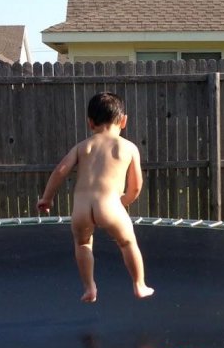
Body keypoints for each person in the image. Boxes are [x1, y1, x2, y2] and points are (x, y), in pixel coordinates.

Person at [36, 92, 154, 303]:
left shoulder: (83, 146)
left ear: (90, 123)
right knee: (127, 243)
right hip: (110, 205)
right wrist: (124, 202)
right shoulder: (127, 147)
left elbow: (60, 170)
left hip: (81, 209)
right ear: (124, 120)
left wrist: (47, 198)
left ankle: (89, 288)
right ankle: (139, 284)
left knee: (82, 244)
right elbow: (136, 187)